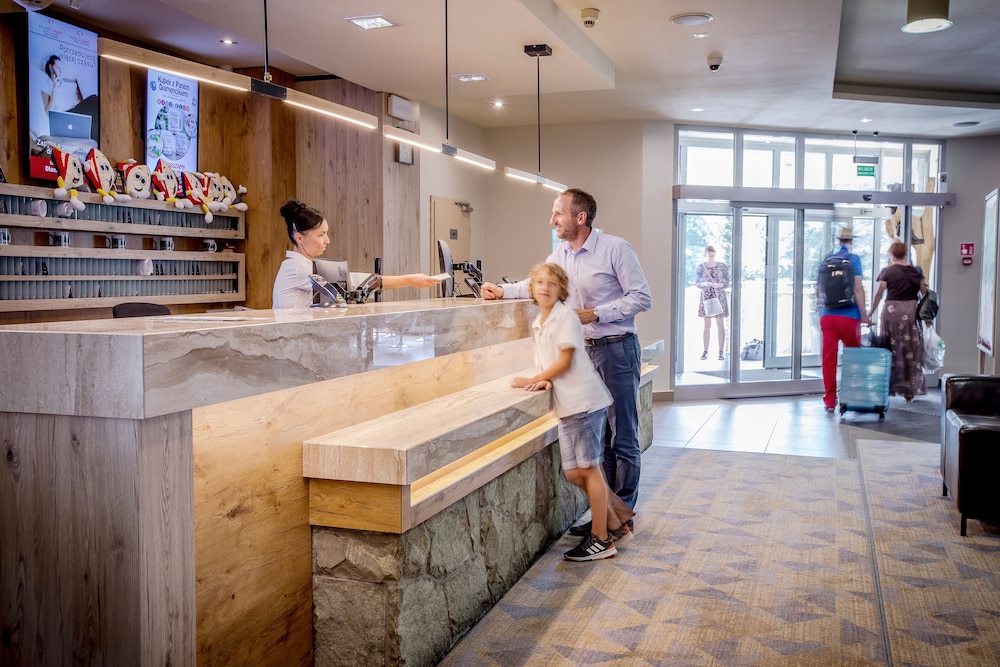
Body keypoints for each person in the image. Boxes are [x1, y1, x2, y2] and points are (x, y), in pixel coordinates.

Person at [481, 188, 652, 524]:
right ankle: (606, 517)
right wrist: (501, 290)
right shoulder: (560, 254)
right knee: (599, 440)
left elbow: (641, 297)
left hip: (617, 348)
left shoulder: (615, 248)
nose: (552, 220)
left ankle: (623, 516)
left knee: (622, 436)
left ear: (580, 217)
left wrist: (596, 313)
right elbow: (537, 283)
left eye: (558, 213)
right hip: (585, 354)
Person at [510, 263, 635, 561]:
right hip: (568, 407)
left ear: (561, 290)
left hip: (583, 403)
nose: (545, 287)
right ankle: (617, 523)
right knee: (574, 473)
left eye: (552, 283)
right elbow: (552, 361)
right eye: (540, 282)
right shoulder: (540, 321)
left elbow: (565, 360)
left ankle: (601, 539)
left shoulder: (565, 316)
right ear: (531, 288)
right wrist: (546, 378)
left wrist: (534, 379)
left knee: (589, 470)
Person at [272, 198, 441, 308]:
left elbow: (353, 283)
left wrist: (410, 280)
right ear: (299, 238)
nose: (327, 240)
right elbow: (350, 284)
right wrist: (409, 280)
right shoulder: (298, 267)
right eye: (321, 235)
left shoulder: (304, 265)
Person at [817, 226, 871, 413]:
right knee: (853, 358)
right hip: (849, 317)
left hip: (828, 316)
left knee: (828, 360)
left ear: (839, 240)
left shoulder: (826, 261)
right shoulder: (853, 259)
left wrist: (822, 312)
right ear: (851, 241)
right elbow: (857, 287)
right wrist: (864, 314)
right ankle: (851, 397)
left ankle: (830, 401)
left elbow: (818, 291)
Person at [867, 241, 927, 402]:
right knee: (909, 351)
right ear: (905, 254)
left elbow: (879, 293)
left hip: (891, 314)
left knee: (888, 349)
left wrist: (870, 313)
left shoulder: (887, 272)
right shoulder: (915, 272)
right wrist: (927, 318)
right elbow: (924, 293)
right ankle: (909, 391)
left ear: (892, 254)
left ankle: (888, 388)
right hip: (909, 313)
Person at [694, 245, 729, 361]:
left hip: (719, 296)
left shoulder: (722, 266)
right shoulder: (701, 267)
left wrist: (719, 285)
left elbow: (727, 281)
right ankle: (705, 350)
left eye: (712, 251)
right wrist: (704, 284)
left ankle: (721, 351)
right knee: (707, 325)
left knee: (720, 324)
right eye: (709, 252)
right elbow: (697, 282)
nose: (711, 254)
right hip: (707, 296)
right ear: (705, 253)